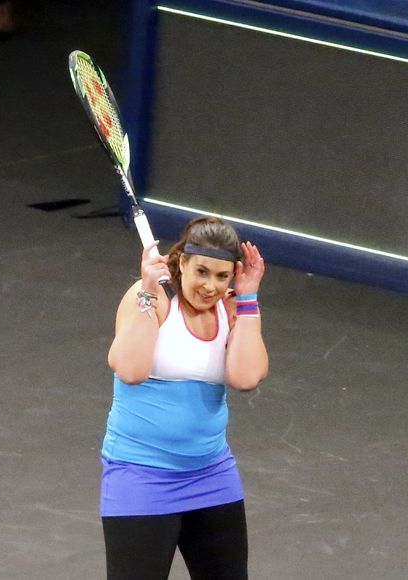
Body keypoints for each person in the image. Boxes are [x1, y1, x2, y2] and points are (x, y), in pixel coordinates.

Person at [101, 215, 269, 580]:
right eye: (202, 272)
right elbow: (129, 370)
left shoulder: (229, 308)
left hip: (211, 476)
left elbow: (246, 377)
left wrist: (248, 297)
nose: (210, 286)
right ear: (181, 264)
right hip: (141, 477)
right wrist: (147, 289)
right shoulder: (152, 299)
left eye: (222, 276)